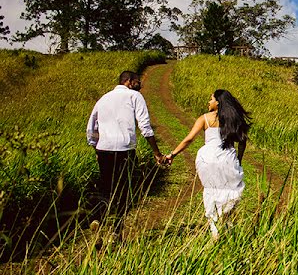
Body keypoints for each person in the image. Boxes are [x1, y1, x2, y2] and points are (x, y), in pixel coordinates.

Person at [166, 89, 250, 239]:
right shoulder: (234, 119)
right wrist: (239, 159)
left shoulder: (204, 118)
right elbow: (242, 141)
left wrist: (172, 154)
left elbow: (189, 139)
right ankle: (227, 223)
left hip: (207, 158)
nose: (208, 102)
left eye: (210, 99)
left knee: (211, 189)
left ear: (218, 102)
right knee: (231, 190)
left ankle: (214, 228)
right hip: (227, 158)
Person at [86, 70, 165, 226]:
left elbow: (91, 128)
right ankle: (116, 230)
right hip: (124, 150)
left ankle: (97, 219)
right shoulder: (135, 96)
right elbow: (145, 126)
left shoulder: (103, 98)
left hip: (103, 149)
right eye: (137, 81)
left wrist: (95, 148)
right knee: (123, 190)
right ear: (128, 81)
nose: (140, 84)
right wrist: (156, 152)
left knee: (106, 185)